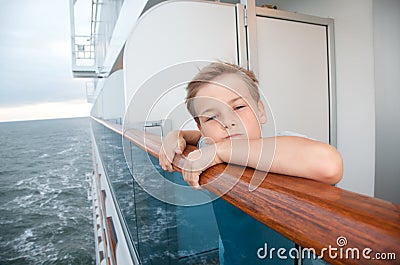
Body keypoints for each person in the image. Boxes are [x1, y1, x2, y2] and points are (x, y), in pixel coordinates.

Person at [158, 62, 343, 264]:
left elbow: (328, 164)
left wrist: (219, 151)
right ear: (201, 127)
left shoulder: (282, 148)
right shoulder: (210, 148)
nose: (227, 122)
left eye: (238, 107)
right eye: (211, 117)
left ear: (261, 111)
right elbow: (199, 139)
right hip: (232, 256)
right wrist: (177, 135)